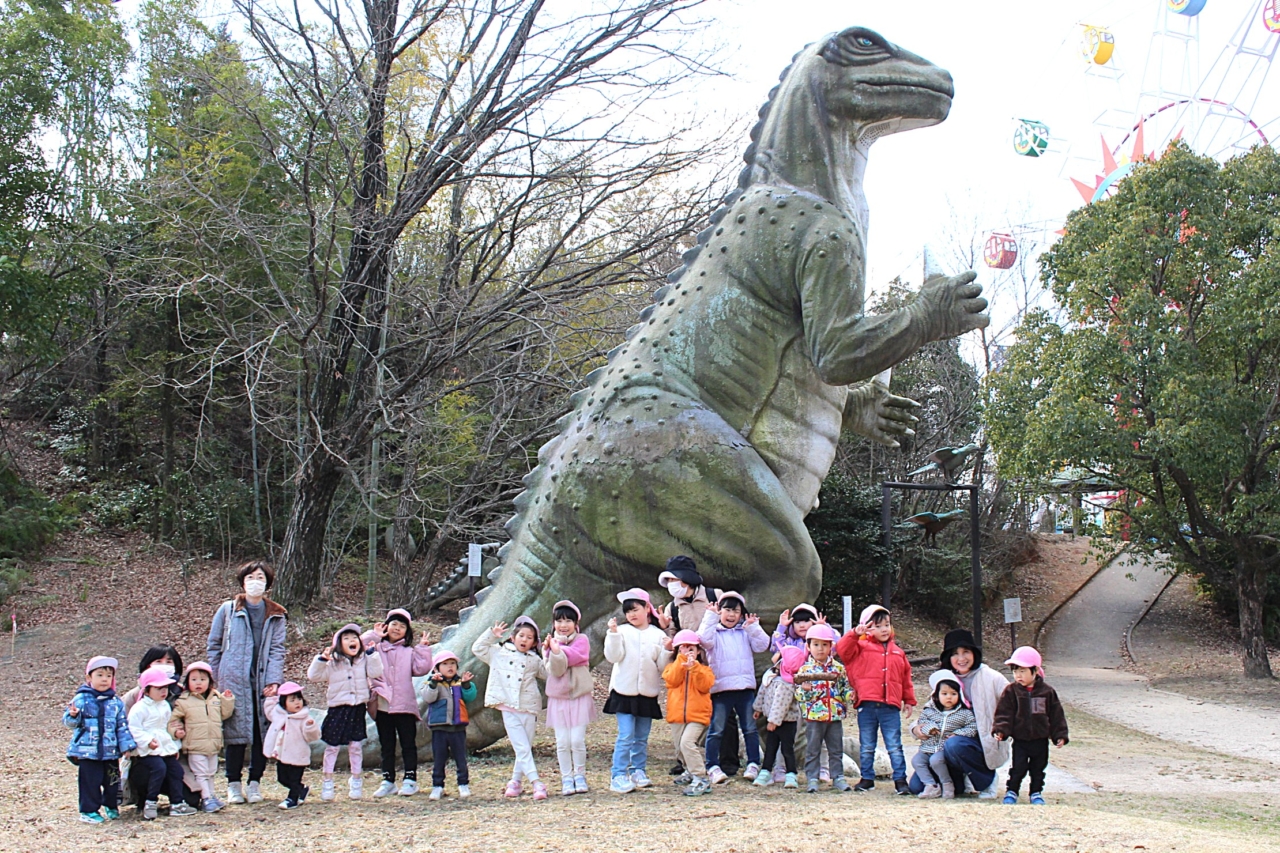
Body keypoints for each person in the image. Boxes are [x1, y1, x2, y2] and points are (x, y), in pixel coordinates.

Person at [207, 560, 287, 805]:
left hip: (262, 680)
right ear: (243, 582)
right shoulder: (228, 610)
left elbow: (277, 649)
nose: (256, 582)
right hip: (233, 680)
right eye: (251, 577)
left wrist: (274, 680)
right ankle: (233, 785)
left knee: (261, 733)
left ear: (268, 584)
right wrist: (218, 677)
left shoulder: (276, 613)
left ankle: (255, 783)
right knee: (236, 734)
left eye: (261, 578)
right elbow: (215, 645)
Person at [656, 556, 739, 779]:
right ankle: (683, 762)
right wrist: (665, 631)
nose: (673, 585)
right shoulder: (674, 606)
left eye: (676, 579)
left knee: (724, 713)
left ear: (688, 579)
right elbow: (674, 636)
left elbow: (731, 620)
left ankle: (728, 761)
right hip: (689, 665)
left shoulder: (715, 596)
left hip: (718, 662)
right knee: (686, 710)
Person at [907, 628, 1010, 798]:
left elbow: (1013, 701)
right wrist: (916, 729)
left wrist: (1004, 727)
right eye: (955, 654)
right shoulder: (945, 679)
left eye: (966, 652)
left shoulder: (991, 677)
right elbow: (929, 710)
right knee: (917, 787)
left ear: (974, 654)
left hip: (979, 741)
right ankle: (960, 782)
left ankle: (986, 780)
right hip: (941, 744)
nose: (961, 659)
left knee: (955, 744)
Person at [835, 604, 916, 794]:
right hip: (867, 703)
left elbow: (906, 678)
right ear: (867, 627)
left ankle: (900, 780)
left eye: (887, 624)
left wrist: (909, 700)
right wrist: (855, 633)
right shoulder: (860, 647)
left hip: (890, 706)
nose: (884, 629)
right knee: (867, 745)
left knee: (894, 745)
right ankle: (867, 778)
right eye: (877, 626)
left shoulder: (898, 652)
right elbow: (842, 650)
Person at [698, 590, 771, 785]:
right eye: (727, 610)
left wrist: (754, 627)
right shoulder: (713, 633)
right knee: (716, 729)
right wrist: (709, 617)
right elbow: (703, 640)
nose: (731, 615)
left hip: (745, 689)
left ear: (741, 613)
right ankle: (712, 765)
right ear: (719, 611)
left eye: (736, 611)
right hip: (721, 689)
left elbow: (762, 645)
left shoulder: (744, 632)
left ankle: (754, 763)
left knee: (750, 729)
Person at [473, 616, 547, 800]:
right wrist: (491, 635)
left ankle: (515, 782)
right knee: (521, 746)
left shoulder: (534, 660)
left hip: (528, 705)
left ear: (534, 642)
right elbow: (478, 649)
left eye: (529, 637)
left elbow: (548, 673)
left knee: (525, 747)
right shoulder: (499, 652)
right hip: (508, 704)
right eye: (521, 635)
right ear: (513, 637)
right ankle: (536, 782)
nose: (524, 640)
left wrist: (548, 652)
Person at [603, 588, 668, 794]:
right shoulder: (621, 631)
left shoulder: (658, 635)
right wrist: (612, 634)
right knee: (626, 735)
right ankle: (618, 774)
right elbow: (613, 656)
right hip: (624, 691)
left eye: (635, 609)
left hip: (647, 693)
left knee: (641, 736)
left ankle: (638, 770)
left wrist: (667, 649)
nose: (631, 614)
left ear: (647, 609)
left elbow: (662, 667)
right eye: (628, 611)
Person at [307, 623, 382, 801]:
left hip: (357, 708)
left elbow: (376, 672)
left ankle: (356, 780)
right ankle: (327, 781)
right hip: (337, 709)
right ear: (339, 643)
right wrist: (321, 660)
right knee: (332, 747)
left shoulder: (364, 658)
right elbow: (314, 676)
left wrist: (372, 655)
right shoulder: (333, 662)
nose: (352, 641)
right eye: (346, 638)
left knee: (355, 746)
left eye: (354, 638)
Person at [363, 608, 434, 797]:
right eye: (394, 624)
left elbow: (421, 668)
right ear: (386, 626)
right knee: (386, 745)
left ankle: (410, 780)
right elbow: (358, 648)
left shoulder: (408, 651)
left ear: (407, 631)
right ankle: (388, 780)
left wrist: (423, 648)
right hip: (382, 705)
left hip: (404, 704)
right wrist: (375, 636)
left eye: (402, 626)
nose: (397, 628)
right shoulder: (375, 647)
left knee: (408, 743)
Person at [992, 646, 1068, 805]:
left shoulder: (1047, 692)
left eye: (1022, 671)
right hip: (1020, 740)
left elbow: (1056, 715)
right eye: (1015, 671)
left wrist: (1059, 735)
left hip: (1040, 740)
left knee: (1038, 769)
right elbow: (1004, 713)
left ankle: (1036, 792)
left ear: (1035, 671)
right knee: (1018, 767)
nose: (1018, 675)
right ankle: (1012, 791)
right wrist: (1001, 730)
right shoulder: (1011, 691)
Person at [65, 655, 136, 824]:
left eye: (108, 676)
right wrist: (73, 716)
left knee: (112, 781)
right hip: (87, 751)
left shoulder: (115, 702)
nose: (105, 679)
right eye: (100, 675)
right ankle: (89, 810)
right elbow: (69, 722)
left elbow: (122, 725)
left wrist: (126, 745)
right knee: (90, 783)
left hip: (110, 751)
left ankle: (111, 806)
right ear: (89, 678)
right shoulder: (81, 699)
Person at [768, 603, 828, 782]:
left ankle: (823, 769)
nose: (802, 625)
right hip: (791, 696)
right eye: (798, 622)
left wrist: (823, 628)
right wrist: (782, 626)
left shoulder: (820, 643)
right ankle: (780, 768)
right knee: (787, 733)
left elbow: (836, 645)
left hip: (816, 694)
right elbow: (774, 649)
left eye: (806, 621)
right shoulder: (789, 642)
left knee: (819, 732)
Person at [128, 668, 198, 819]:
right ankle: (150, 801)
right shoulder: (139, 708)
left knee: (176, 770)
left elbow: (166, 726)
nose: (163, 692)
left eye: (165, 688)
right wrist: (147, 741)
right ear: (147, 690)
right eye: (158, 688)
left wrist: (173, 745)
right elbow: (134, 728)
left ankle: (177, 803)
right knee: (158, 769)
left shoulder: (165, 705)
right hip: (148, 749)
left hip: (163, 746)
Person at [542, 600, 595, 796]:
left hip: (579, 697)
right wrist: (553, 651)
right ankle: (566, 777)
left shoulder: (582, 639)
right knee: (562, 741)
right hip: (558, 699)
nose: (563, 625)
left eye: (568, 621)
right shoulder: (548, 646)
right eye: (559, 621)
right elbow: (555, 669)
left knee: (577, 740)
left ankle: (579, 774)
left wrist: (557, 649)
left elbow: (578, 656)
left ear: (576, 623)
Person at [794, 623, 853, 793]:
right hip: (814, 717)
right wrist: (805, 691)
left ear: (831, 646)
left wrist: (851, 696)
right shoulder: (805, 670)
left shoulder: (838, 669)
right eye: (816, 645)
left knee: (836, 749)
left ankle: (838, 777)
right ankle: (812, 778)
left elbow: (844, 690)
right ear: (808, 646)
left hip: (834, 716)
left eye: (825, 644)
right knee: (813, 748)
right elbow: (799, 697)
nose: (820, 649)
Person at [168, 662, 235, 812]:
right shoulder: (184, 701)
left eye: (203, 679)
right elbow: (173, 720)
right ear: (187, 682)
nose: (198, 683)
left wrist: (227, 700)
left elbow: (224, 714)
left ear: (210, 682)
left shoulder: (215, 698)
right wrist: (176, 731)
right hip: (194, 746)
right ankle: (205, 798)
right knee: (201, 773)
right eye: (194, 679)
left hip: (213, 744)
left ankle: (212, 795)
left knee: (211, 772)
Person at [662, 629, 715, 796]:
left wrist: (694, 668)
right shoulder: (672, 667)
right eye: (682, 648)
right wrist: (681, 660)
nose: (687, 651)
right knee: (679, 748)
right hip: (677, 715)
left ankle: (701, 778)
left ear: (699, 651)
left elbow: (704, 686)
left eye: (691, 648)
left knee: (687, 743)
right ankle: (689, 770)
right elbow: (672, 680)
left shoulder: (704, 670)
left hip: (697, 715)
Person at [909, 669, 977, 799]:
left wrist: (958, 734)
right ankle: (931, 786)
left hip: (943, 748)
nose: (949, 697)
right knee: (917, 760)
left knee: (936, 760)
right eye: (944, 694)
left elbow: (972, 727)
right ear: (937, 695)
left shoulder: (964, 713)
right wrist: (929, 729)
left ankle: (947, 784)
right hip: (927, 747)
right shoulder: (929, 710)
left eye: (953, 694)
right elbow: (921, 722)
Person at [421, 651, 476, 801]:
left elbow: (470, 697)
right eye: (444, 664)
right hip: (439, 727)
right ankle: (437, 786)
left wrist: (466, 685)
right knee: (439, 758)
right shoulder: (433, 682)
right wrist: (433, 683)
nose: (449, 667)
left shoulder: (459, 682)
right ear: (436, 668)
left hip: (458, 727)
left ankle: (463, 784)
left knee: (460, 757)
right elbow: (427, 697)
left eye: (452, 663)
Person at [752, 645, 805, 789]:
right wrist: (758, 708)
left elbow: (780, 705)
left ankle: (791, 774)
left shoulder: (786, 684)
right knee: (771, 747)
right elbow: (763, 692)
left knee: (787, 749)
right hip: (771, 719)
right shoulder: (772, 676)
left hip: (786, 722)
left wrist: (773, 722)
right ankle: (765, 771)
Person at [263, 681, 321, 809]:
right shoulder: (279, 714)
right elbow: (269, 711)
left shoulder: (304, 717)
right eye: (292, 700)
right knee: (282, 778)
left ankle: (292, 799)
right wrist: (272, 697)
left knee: (294, 778)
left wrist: (310, 727)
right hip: (282, 753)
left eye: (299, 699)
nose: (297, 702)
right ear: (284, 703)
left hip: (298, 755)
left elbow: (313, 737)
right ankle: (301, 789)